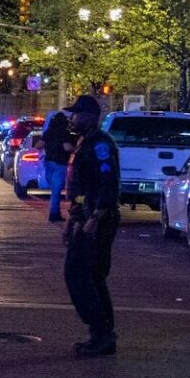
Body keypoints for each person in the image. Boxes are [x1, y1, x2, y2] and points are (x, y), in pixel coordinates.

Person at [62, 94, 121, 357]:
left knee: (77, 274)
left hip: (97, 220)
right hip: (85, 218)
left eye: (76, 114)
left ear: (89, 116)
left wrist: (96, 217)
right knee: (92, 276)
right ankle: (103, 333)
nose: (72, 119)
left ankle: (101, 331)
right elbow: (80, 188)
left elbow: (108, 182)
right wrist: (72, 220)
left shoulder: (100, 145)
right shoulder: (85, 142)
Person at [42, 111, 72, 223]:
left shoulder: (48, 133)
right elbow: (67, 148)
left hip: (48, 163)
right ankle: (54, 213)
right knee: (56, 191)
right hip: (60, 164)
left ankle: (55, 212)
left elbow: (38, 145)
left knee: (54, 189)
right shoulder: (64, 133)